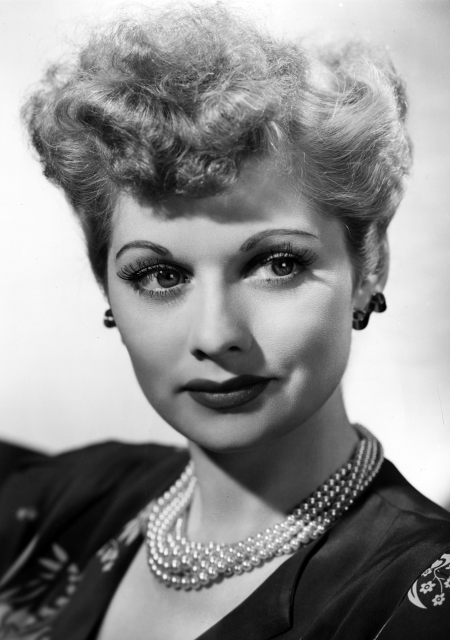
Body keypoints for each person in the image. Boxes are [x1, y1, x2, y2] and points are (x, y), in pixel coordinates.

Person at [1, 4, 449, 639]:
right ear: (106, 283)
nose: (215, 336)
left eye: (278, 263)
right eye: (159, 276)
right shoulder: (61, 504)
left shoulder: (416, 599)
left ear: (370, 264)